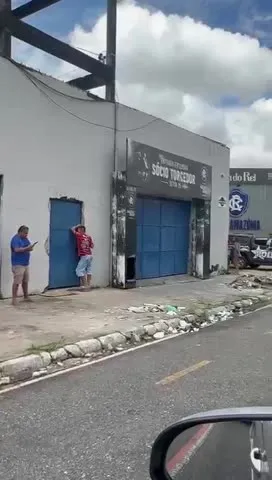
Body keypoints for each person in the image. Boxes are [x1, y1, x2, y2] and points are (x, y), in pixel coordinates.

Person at [10, 225, 38, 305]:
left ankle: (26, 296)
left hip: (25, 263)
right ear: (20, 232)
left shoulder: (25, 239)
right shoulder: (15, 239)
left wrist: (31, 248)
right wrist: (26, 249)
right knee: (17, 282)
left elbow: (28, 246)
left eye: (27, 233)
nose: (26, 235)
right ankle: (14, 299)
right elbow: (16, 249)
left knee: (25, 281)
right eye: (25, 233)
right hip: (18, 264)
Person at [71, 224, 94, 288]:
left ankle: (85, 284)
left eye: (78, 229)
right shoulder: (88, 237)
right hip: (90, 255)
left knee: (79, 270)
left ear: (80, 230)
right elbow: (92, 246)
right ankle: (89, 284)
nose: (77, 230)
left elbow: (72, 229)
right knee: (89, 269)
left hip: (84, 255)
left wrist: (76, 226)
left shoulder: (79, 235)